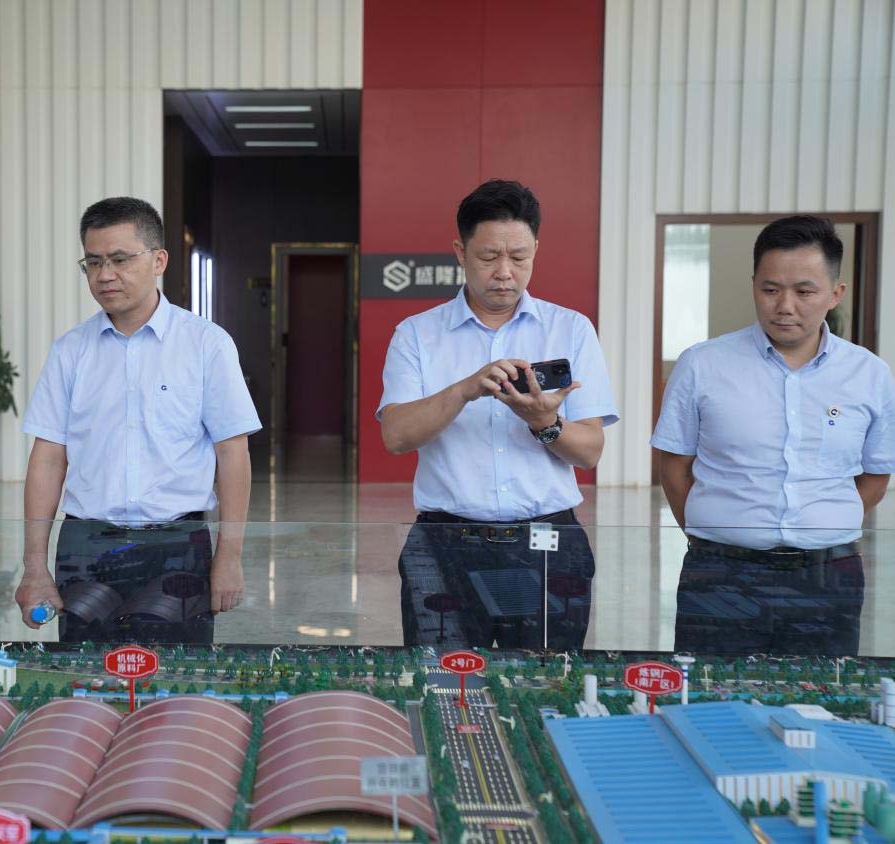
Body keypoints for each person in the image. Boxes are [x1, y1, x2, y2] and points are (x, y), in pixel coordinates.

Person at [378, 179, 619, 650]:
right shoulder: (417, 335)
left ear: (536, 251)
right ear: (460, 252)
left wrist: (544, 423)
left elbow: (590, 452)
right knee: (446, 681)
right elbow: (396, 436)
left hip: (548, 542)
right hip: (444, 543)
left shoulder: (571, 329)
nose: (505, 272)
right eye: (489, 257)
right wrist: (465, 390)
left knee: (546, 681)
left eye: (519, 257)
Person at [14, 197, 259, 644]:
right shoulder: (70, 351)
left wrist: (230, 556)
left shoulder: (206, 345)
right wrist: (34, 566)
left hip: (178, 545)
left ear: (158, 261)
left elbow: (232, 454)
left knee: (177, 679)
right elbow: (47, 459)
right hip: (85, 546)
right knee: (85, 677)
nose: (105, 275)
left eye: (120, 259)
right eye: (93, 262)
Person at [653, 215, 895, 656]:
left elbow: (875, 478)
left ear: (835, 293)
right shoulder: (703, 365)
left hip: (828, 576)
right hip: (720, 573)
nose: (785, 306)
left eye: (804, 292)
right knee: (710, 689)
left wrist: (820, 523)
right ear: (754, 286)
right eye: (770, 289)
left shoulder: (870, 375)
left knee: (820, 692)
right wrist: (716, 535)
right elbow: (674, 468)